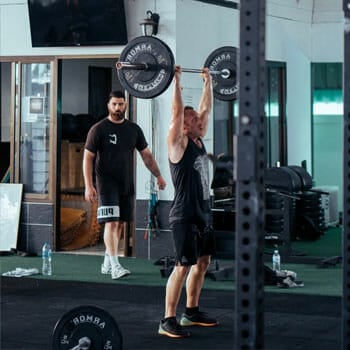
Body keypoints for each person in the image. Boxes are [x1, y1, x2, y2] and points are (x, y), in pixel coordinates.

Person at [158, 66, 218, 338]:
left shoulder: (199, 140)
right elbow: (176, 113)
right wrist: (177, 82)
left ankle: (191, 312)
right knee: (182, 266)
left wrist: (209, 83)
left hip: (203, 213)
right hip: (183, 215)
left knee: (202, 263)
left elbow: (205, 110)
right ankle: (167, 319)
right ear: (184, 124)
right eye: (194, 120)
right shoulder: (178, 144)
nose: (200, 122)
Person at [83, 90, 166, 280]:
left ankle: (106, 262)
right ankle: (115, 266)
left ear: (126, 105)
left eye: (121, 104)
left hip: (126, 183)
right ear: (108, 105)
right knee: (111, 223)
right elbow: (88, 158)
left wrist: (159, 176)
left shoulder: (133, 129)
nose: (118, 108)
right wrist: (89, 185)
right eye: (114, 104)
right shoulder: (98, 129)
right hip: (106, 184)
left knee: (119, 224)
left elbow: (146, 155)